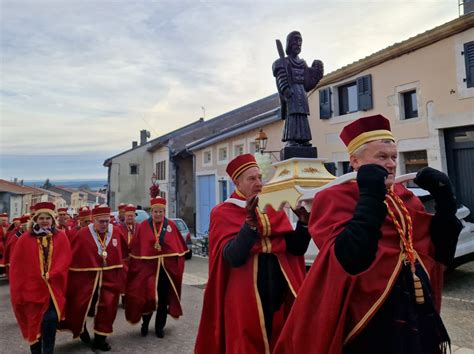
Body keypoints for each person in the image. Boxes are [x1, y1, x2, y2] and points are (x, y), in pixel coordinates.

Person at [274, 115, 462, 354]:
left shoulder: (404, 197)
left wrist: (446, 203)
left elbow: (441, 254)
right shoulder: (333, 198)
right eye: (382, 157)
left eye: (393, 156)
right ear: (354, 161)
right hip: (368, 317)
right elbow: (351, 259)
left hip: (415, 311)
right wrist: (370, 195)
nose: (392, 163)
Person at [195, 154, 311, 354]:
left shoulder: (272, 206)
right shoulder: (223, 212)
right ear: (237, 182)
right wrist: (249, 225)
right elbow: (233, 257)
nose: (258, 183)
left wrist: (303, 224)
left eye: (259, 177)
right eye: (252, 179)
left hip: (279, 294)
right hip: (245, 297)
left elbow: (294, 249)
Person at [60, 205, 125, 351]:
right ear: (93, 220)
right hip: (86, 277)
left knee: (108, 307)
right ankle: (81, 329)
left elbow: (124, 253)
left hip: (109, 276)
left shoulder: (115, 232)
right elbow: (72, 256)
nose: (104, 225)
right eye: (100, 221)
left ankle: (100, 339)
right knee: (80, 304)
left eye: (106, 221)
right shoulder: (82, 234)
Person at [9, 202, 72, 354]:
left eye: (47, 218)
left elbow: (65, 259)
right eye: (41, 218)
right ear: (35, 220)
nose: (44, 221)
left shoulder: (60, 237)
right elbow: (18, 266)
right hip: (31, 290)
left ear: (52, 220)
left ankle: (48, 351)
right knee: (34, 325)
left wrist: (52, 274)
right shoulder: (24, 239)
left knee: (50, 321)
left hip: (52, 289)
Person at [125, 197, 188, 338]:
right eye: (155, 211)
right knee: (148, 298)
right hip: (149, 271)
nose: (158, 214)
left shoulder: (171, 225)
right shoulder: (143, 227)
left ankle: (160, 327)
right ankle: (145, 324)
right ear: (151, 211)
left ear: (164, 212)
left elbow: (179, 250)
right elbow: (136, 249)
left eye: (160, 211)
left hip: (166, 272)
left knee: (163, 300)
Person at [272, 31, 323, 147]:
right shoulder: (282, 62)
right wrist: (285, 89)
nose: (298, 43)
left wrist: (317, 73)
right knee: (293, 115)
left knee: (302, 116)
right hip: (291, 92)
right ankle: (291, 139)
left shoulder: (302, 63)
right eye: (295, 40)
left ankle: (303, 139)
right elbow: (281, 77)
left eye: (300, 41)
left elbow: (308, 83)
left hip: (301, 92)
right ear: (289, 44)